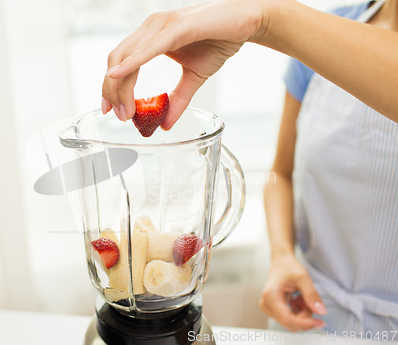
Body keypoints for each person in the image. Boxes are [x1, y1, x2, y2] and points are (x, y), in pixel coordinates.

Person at [101, 0, 398, 334]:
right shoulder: (331, 31)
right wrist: (283, 257)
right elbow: (281, 174)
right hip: (309, 307)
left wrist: (266, 17)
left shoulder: (315, 34)